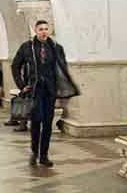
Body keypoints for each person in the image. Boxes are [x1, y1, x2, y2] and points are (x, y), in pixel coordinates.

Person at [11, 20, 79, 168]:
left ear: (49, 31)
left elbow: (62, 68)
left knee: (48, 123)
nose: (43, 32)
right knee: (36, 121)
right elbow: (15, 66)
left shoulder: (56, 47)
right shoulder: (27, 47)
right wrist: (22, 85)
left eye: (46, 29)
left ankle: (44, 155)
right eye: (41, 29)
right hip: (34, 91)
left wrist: (63, 88)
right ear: (35, 31)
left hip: (50, 91)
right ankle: (34, 152)